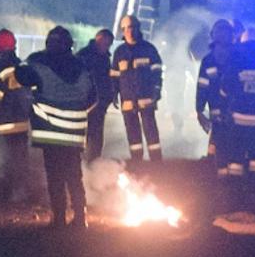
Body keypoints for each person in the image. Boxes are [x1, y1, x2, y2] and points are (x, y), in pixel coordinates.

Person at [19, 27, 96, 228]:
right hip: (75, 134)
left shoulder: (38, 61)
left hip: (51, 132)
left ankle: (59, 219)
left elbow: (21, 76)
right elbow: (93, 97)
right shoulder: (82, 65)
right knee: (74, 177)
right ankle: (81, 218)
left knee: (55, 176)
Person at [0, 29, 34, 204]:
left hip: (4, 124)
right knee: (21, 160)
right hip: (21, 124)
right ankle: (22, 194)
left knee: (5, 160)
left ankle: (5, 195)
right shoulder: (22, 66)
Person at [220, 26, 255, 175]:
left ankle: (235, 189)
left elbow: (224, 90)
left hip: (239, 119)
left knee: (236, 156)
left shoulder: (236, 66)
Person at [113, 15, 166, 161]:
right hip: (127, 100)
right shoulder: (119, 52)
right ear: (122, 31)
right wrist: (114, 94)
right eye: (126, 28)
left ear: (138, 28)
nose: (129, 31)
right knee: (133, 134)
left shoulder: (149, 49)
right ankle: (137, 163)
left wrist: (156, 90)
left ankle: (157, 164)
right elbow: (115, 76)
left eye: (132, 27)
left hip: (146, 98)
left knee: (151, 133)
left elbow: (157, 73)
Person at [195, 19, 238, 174]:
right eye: (220, 31)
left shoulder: (238, 57)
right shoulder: (208, 60)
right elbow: (202, 86)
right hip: (217, 109)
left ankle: (229, 174)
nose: (222, 35)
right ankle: (218, 173)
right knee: (218, 139)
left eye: (225, 31)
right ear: (214, 35)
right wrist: (199, 110)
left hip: (236, 110)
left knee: (233, 143)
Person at [79, 28, 115, 161]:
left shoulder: (104, 58)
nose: (106, 47)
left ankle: (94, 163)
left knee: (96, 135)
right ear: (98, 40)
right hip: (86, 103)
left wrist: (108, 98)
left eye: (109, 45)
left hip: (100, 104)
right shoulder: (84, 56)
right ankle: (82, 162)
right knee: (85, 134)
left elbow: (107, 79)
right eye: (105, 44)